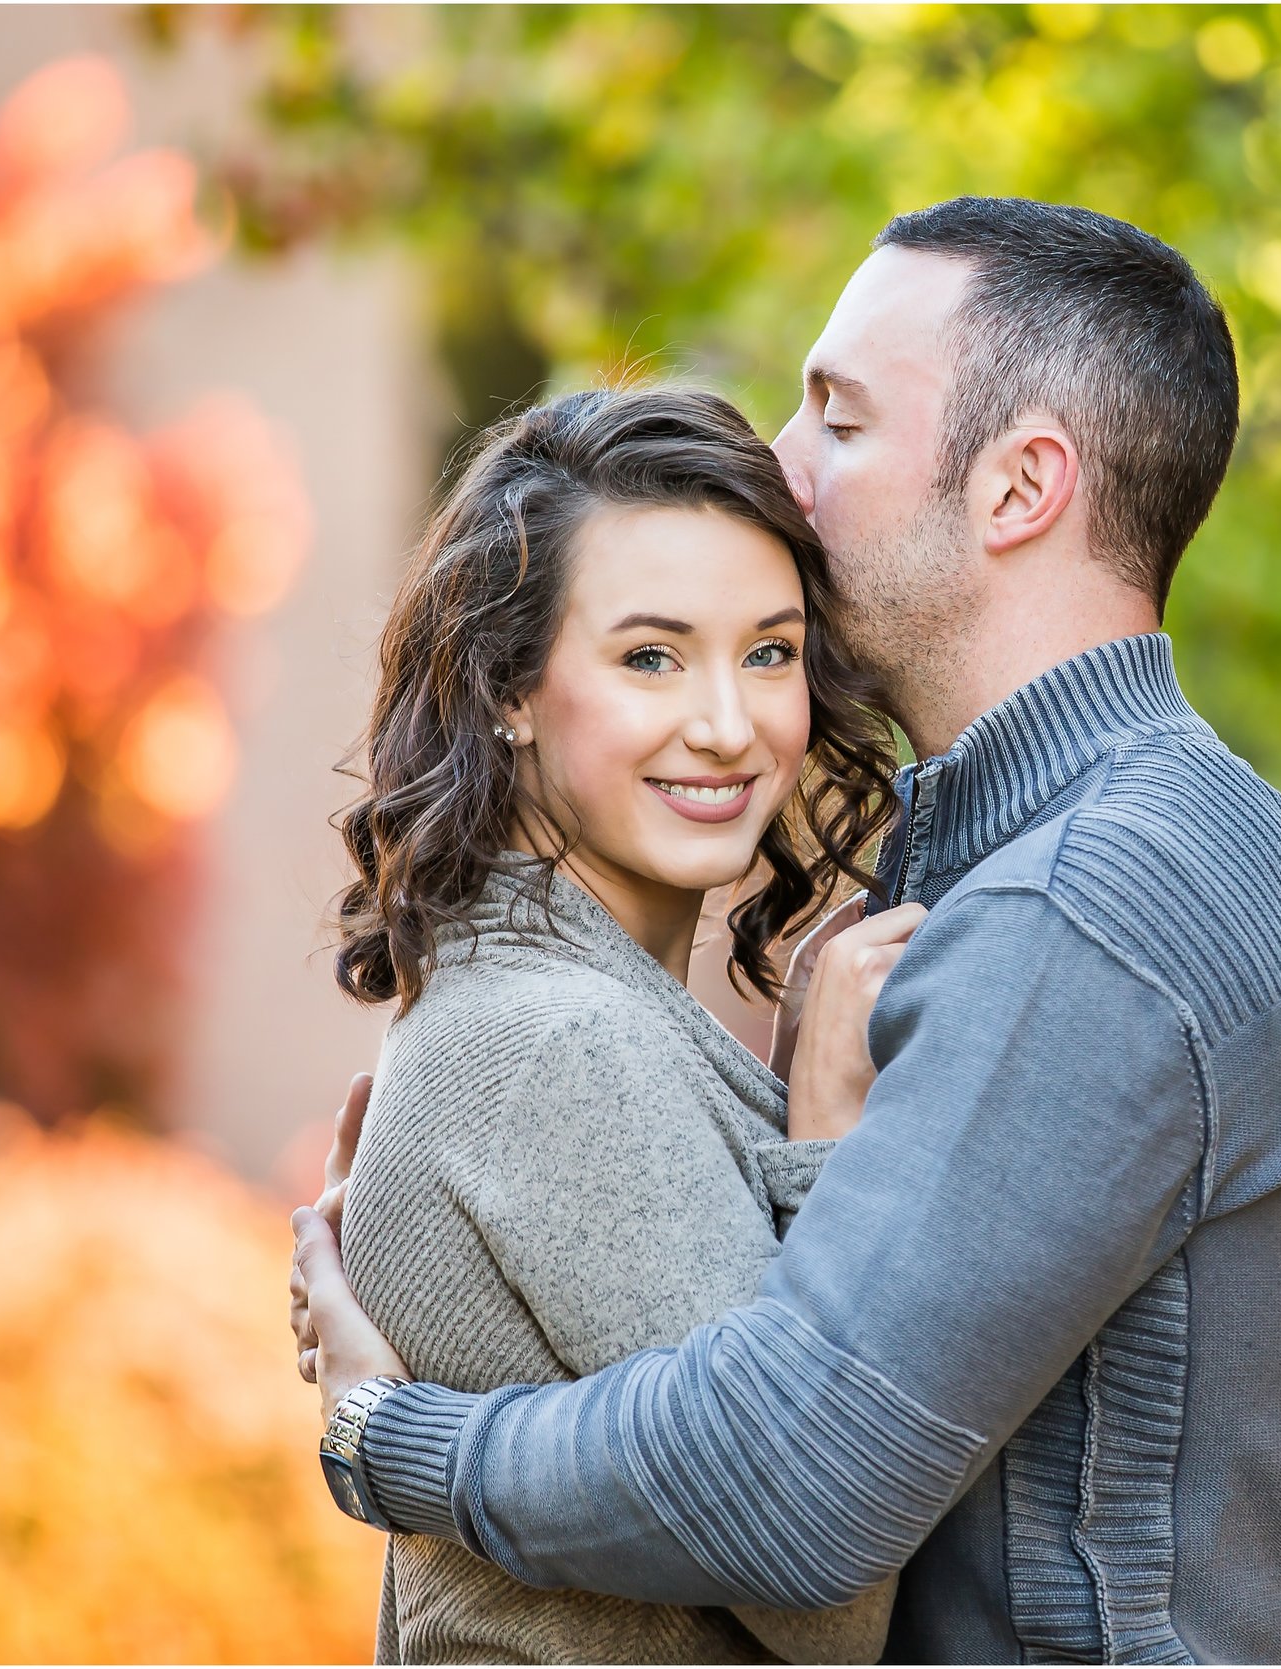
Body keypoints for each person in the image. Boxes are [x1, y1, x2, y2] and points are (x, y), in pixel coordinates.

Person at [293, 197, 1281, 1664]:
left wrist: (393, 1440)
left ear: (1019, 490)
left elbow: (794, 1484)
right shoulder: (1164, 832)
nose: (783, 469)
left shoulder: (1080, 898)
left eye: (839, 419)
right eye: (647, 654)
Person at [324, 383, 922, 1662]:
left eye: (770, 651)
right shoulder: (554, 1044)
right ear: (507, 688)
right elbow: (824, 1587)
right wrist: (825, 1144)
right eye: (650, 655)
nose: (726, 724)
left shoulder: (548, 1001)